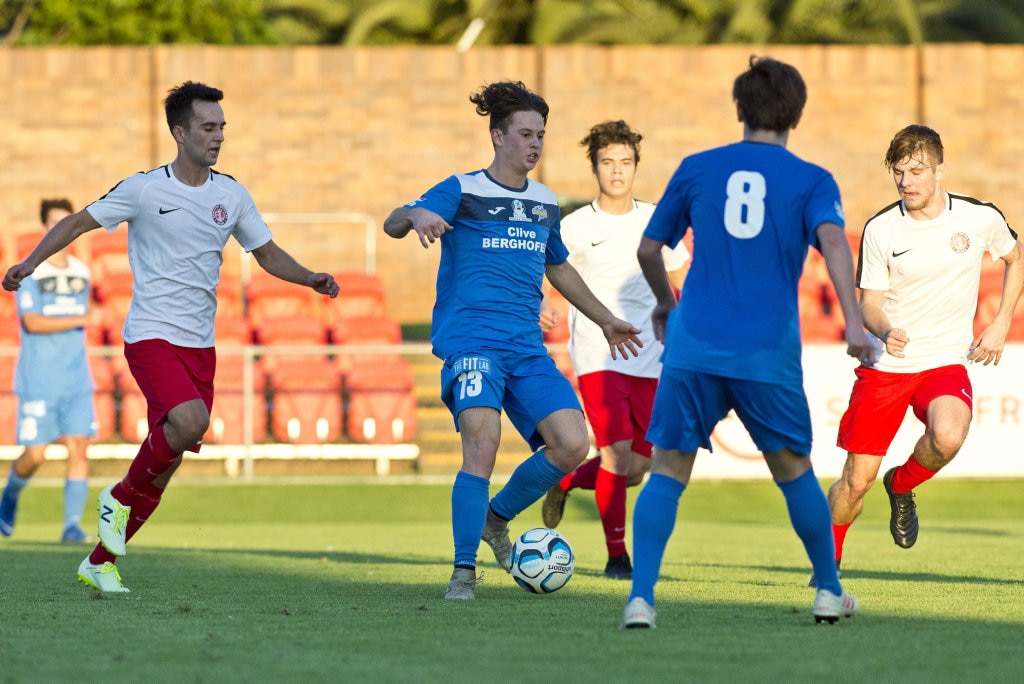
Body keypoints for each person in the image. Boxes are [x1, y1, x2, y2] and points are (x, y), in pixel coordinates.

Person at [2, 81, 339, 593]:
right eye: (208, 126)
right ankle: (117, 495)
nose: (219, 135)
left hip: (200, 347)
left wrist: (309, 276)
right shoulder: (144, 189)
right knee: (190, 421)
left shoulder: (232, 194)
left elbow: (267, 254)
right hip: (151, 337)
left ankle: (99, 562)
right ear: (179, 133)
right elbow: (75, 224)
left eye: (222, 126)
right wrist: (29, 263)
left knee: (168, 463)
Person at [621, 55, 874, 629]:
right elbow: (834, 244)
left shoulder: (697, 167)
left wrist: (666, 302)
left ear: (740, 108)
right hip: (766, 350)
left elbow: (646, 249)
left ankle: (641, 598)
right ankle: (829, 591)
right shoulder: (812, 179)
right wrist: (854, 325)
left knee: (667, 470)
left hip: (695, 345)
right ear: (796, 114)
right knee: (794, 472)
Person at [383, 80, 643, 600]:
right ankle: (464, 571)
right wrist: (416, 215)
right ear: (498, 136)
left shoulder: (545, 202)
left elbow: (560, 268)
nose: (535, 144)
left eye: (541, 135)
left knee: (573, 444)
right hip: (471, 343)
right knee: (482, 443)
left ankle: (495, 518)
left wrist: (605, 319)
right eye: (526, 133)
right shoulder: (462, 189)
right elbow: (393, 221)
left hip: (526, 349)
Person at [814, 125, 1023, 587]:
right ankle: (829, 567)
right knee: (854, 484)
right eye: (900, 171)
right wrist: (885, 329)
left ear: (940, 169)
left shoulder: (978, 217)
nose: (907, 181)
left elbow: (1016, 257)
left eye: (917, 170)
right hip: (887, 367)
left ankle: (903, 484)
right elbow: (868, 302)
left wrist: (1002, 319)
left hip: (944, 361)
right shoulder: (882, 228)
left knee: (949, 434)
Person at [538, 120, 689, 580]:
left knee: (639, 467)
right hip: (598, 353)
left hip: (653, 356)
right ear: (595, 168)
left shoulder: (657, 219)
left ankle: (565, 479)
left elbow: (680, 278)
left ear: (636, 167)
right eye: (608, 162)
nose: (617, 171)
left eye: (625, 162)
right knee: (617, 454)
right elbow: (547, 270)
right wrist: (542, 304)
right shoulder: (577, 226)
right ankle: (617, 557)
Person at [0, 198, 101, 543]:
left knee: (79, 448)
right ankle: (10, 495)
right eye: (55, 224)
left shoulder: (82, 272)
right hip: (40, 378)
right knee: (35, 455)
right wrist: (81, 319)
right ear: (45, 229)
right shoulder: (31, 271)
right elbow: (31, 322)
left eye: (67, 224)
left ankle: (72, 526)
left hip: (77, 377)